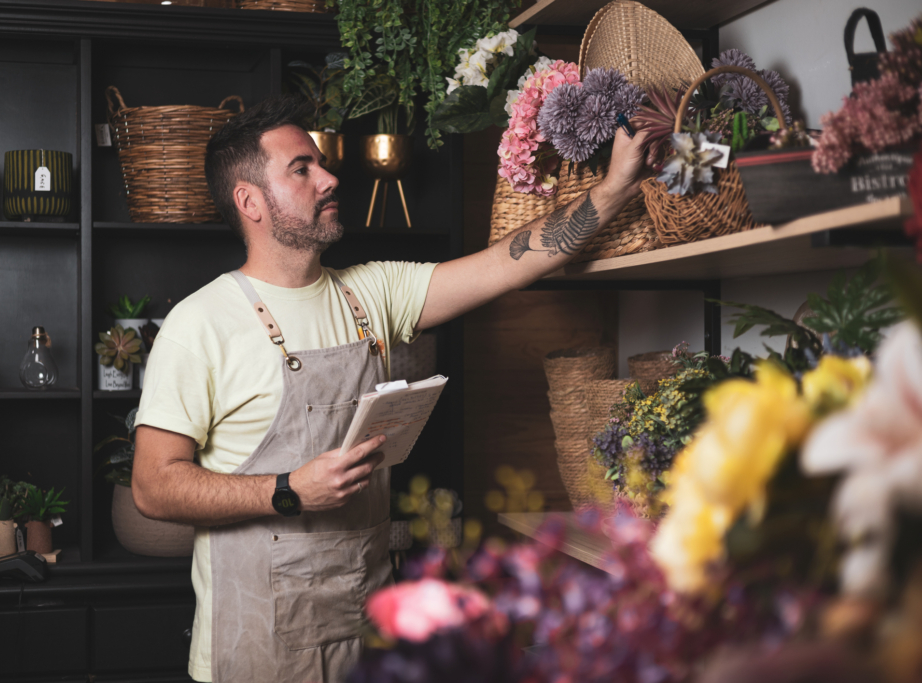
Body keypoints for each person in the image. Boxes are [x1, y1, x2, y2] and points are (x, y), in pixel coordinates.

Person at [131, 95, 649, 683]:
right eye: (301, 168)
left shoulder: (370, 295)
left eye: (320, 163)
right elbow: (153, 487)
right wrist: (288, 490)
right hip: (255, 653)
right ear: (249, 201)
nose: (328, 178)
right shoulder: (200, 324)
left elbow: (509, 263)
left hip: (365, 634)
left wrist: (613, 187)